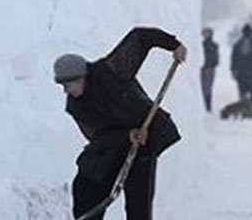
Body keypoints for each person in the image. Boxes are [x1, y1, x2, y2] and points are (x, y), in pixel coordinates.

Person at [53, 26, 187, 220]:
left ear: (81, 77)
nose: (66, 90)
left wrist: (174, 45)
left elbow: (140, 37)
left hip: (145, 138)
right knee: (85, 185)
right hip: (112, 145)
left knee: (138, 204)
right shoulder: (76, 106)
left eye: (68, 84)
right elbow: (97, 137)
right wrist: (127, 135)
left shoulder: (112, 70)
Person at [230, 24, 252, 117]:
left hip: (243, 73)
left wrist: (234, 70)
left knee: (244, 93)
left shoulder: (238, 44)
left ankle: (246, 111)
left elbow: (234, 59)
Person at [200, 27, 219, 112]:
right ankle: (206, 106)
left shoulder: (213, 45)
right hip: (204, 68)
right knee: (204, 88)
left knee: (207, 88)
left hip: (209, 68)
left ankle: (208, 106)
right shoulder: (202, 44)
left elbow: (216, 58)